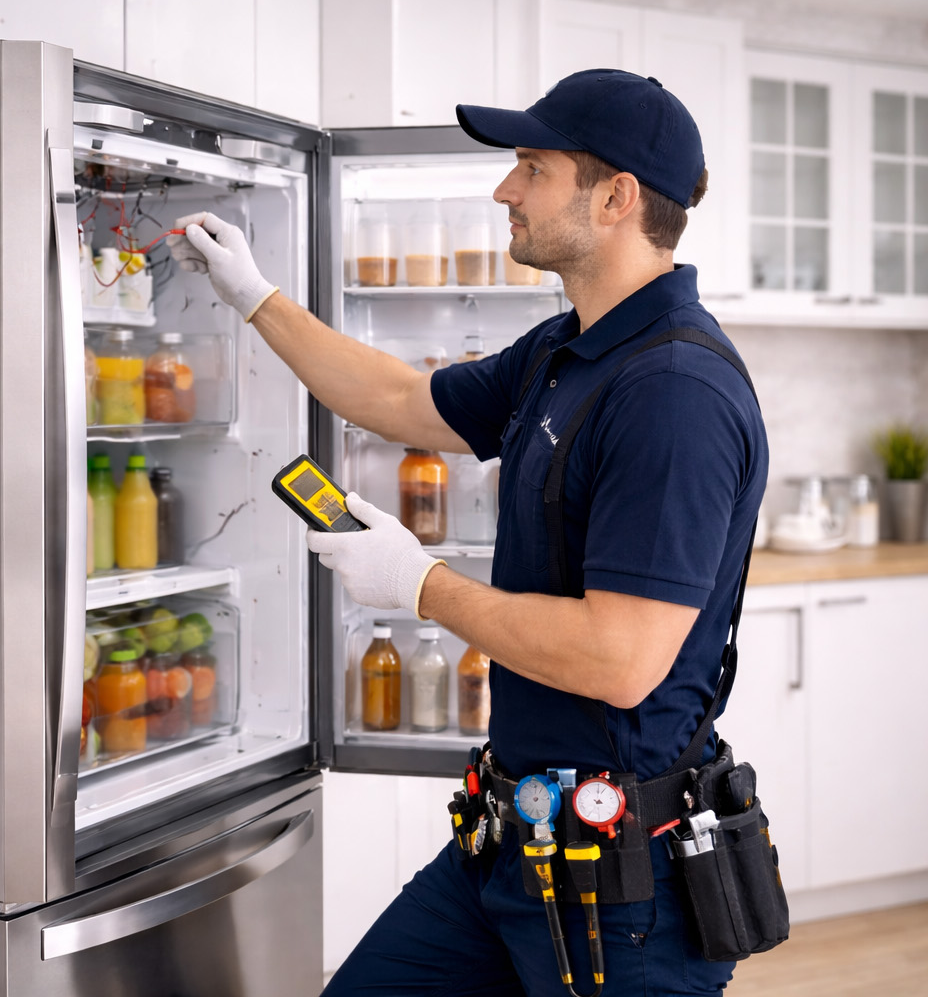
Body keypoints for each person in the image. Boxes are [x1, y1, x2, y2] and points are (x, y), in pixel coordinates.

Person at [167, 69, 768, 995]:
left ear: (614, 198)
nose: (504, 190)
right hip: (508, 848)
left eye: (531, 166)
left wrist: (421, 587)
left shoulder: (672, 396)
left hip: (626, 896)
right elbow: (403, 399)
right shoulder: (565, 350)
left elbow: (620, 658)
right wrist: (254, 295)